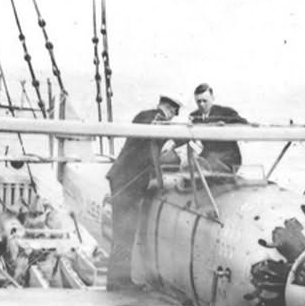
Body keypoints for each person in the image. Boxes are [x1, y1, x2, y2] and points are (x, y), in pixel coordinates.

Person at [105, 95, 181, 290]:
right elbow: (155, 130)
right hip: (125, 182)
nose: (172, 117)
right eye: (172, 113)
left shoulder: (153, 120)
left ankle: (120, 280)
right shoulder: (147, 118)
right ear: (167, 108)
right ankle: (117, 282)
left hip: (129, 182)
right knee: (123, 231)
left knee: (126, 232)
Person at [189, 83, 248, 172]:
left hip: (228, 159)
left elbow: (245, 125)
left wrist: (226, 128)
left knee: (202, 170)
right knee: (189, 167)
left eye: (205, 101)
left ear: (212, 98)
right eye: (198, 101)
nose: (201, 104)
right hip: (207, 156)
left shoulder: (226, 113)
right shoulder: (194, 116)